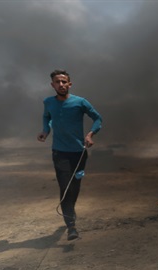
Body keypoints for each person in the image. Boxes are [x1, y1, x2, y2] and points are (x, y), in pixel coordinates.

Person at [37, 69, 103, 240]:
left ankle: (69, 212)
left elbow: (98, 118)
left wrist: (90, 134)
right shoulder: (48, 102)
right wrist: (45, 131)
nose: (61, 85)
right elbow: (47, 117)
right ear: (52, 85)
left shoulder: (80, 102)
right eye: (57, 82)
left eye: (64, 82)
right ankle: (71, 226)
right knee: (65, 188)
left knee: (74, 188)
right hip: (59, 152)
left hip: (79, 153)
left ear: (69, 84)